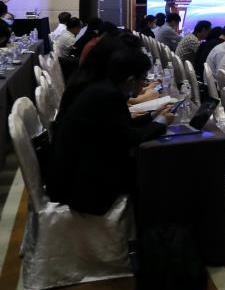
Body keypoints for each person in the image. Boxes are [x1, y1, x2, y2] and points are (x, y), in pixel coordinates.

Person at [48, 46, 174, 215]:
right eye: (143, 79)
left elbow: (120, 126)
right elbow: (129, 138)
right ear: (130, 80)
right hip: (84, 188)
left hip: (78, 169)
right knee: (154, 174)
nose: (145, 83)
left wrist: (153, 116)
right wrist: (161, 122)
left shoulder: (104, 87)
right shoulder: (109, 96)